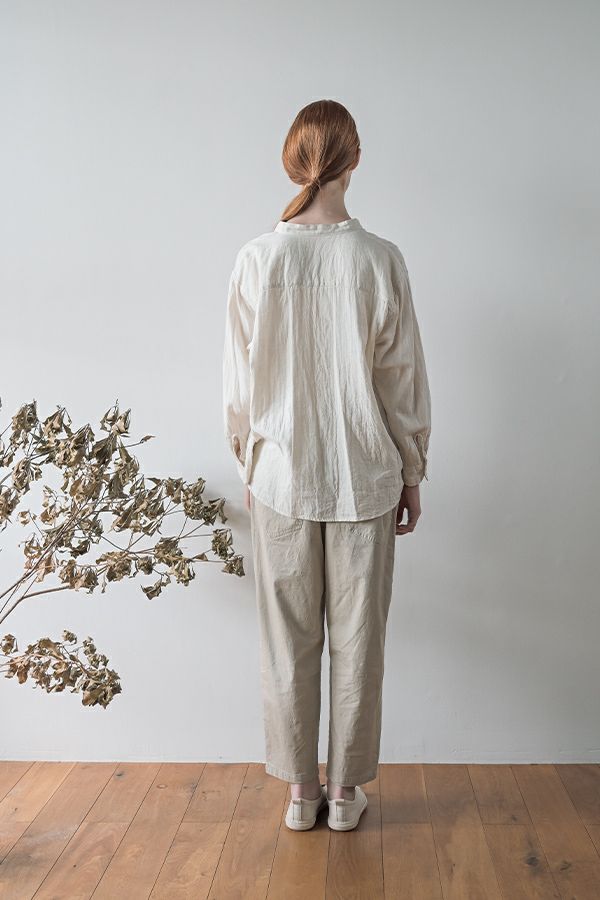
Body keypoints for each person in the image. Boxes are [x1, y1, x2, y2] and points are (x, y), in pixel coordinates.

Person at [222, 99, 431, 832]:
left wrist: (250, 461)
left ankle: (300, 794)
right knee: (358, 640)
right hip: (365, 476)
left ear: (294, 161)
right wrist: (412, 471)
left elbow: (239, 387)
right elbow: (400, 379)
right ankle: (343, 795)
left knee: (287, 642)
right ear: (355, 158)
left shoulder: (257, 258)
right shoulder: (379, 259)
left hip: (281, 476)